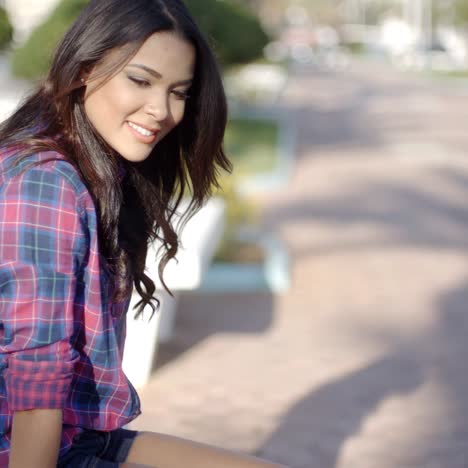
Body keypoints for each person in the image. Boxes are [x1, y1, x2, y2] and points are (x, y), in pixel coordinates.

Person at [0, 1, 287, 467]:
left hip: (81, 437)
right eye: (141, 80)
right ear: (84, 68)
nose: (161, 110)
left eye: (179, 91)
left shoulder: (94, 165)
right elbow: (35, 386)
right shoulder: (43, 183)